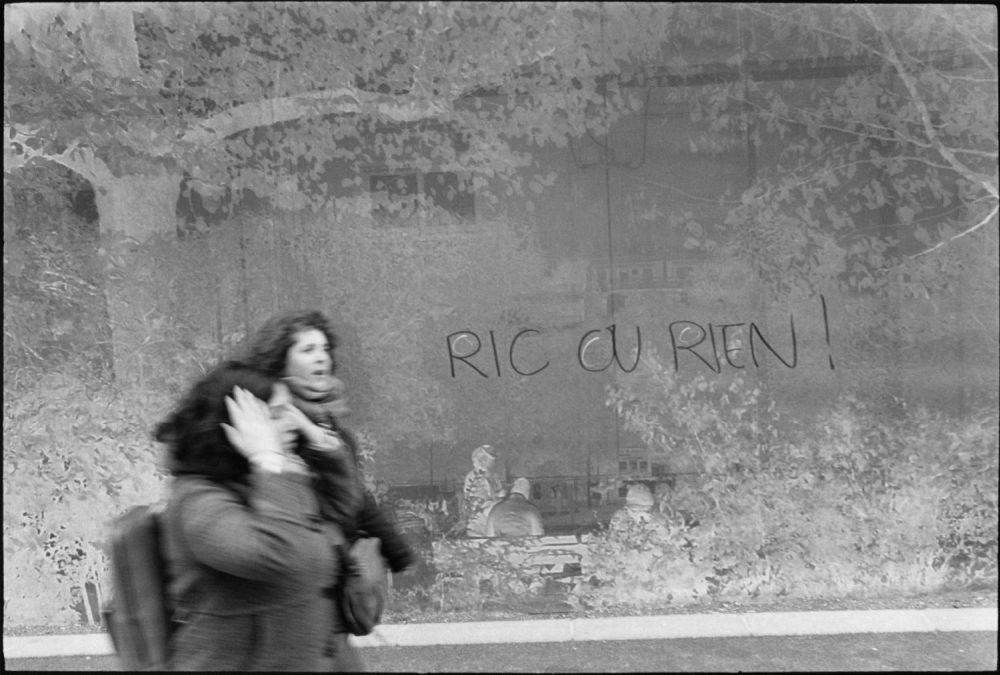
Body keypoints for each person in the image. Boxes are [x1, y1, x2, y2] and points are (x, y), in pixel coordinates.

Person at [240, 309, 415, 670]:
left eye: (323, 349)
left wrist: (395, 549)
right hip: (299, 585)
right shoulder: (275, 420)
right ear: (280, 359)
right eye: (307, 349)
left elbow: (354, 495)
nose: (321, 357)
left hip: (328, 588)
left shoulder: (324, 420)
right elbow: (303, 497)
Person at [157, 361, 346, 670]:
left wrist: (313, 443)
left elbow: (344, 506)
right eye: (277, 413)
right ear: (236, 427)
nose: (292, 422)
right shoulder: (197, 500)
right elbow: (275, 555)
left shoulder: (271, 482)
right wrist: (266, 457)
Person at [462, 444, 506, 537]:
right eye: (488, 459)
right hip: (479, 521)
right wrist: (496, 497)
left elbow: (500, 494)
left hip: (493, 519)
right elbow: (476, 501)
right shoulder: (473, 477)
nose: (491, 462)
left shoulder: (494, 476)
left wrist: (501, 496)